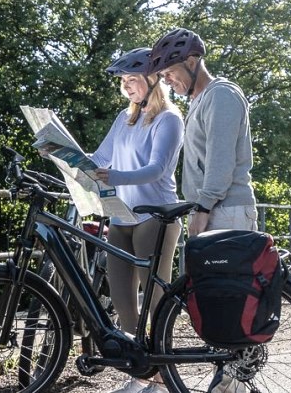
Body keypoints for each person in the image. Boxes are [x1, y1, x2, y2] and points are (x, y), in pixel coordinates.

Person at [87, 48, 184, 393]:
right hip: (122, 216)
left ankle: (163, 378)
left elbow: (156, 169)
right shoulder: (124, 118)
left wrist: (114, 177)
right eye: (123, 81)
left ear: (153, 79)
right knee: (122, 299)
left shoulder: (169, 118)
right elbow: (99, 158)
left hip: (155, 217)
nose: (126, 86)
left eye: (132, 79)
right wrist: (60, 153)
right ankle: (140, 374)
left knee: (155, 301)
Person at [145, 27, 257, 238]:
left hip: (223, 210)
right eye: (163, 76)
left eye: (169, 73)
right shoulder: (200, 99)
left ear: (191, 62)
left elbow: (221, 158)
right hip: (207, 208)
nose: (166, 81)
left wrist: (204, 208)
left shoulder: (221, 95)